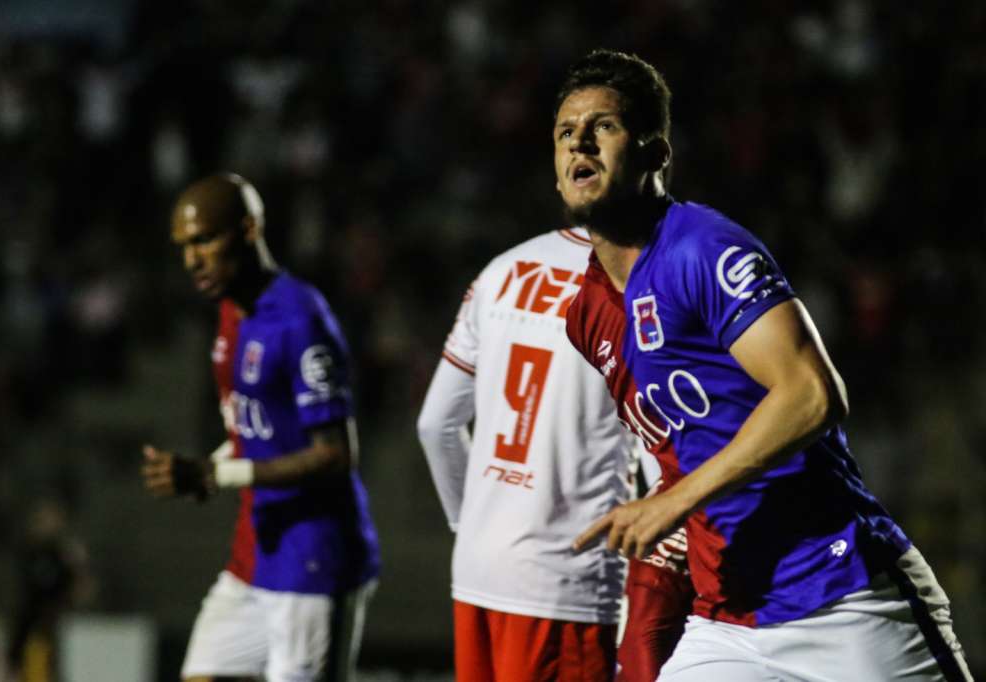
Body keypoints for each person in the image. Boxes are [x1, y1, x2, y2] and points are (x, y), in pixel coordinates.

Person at [556, 49, 972, 681]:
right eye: (565, 132)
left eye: (603, 126)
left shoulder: (701, 248)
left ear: (655, 154)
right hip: (729, 621)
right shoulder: (586, 316)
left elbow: (812, 394)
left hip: (844, 596)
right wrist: (669, 516)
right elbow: (685, 444)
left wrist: (675, 503)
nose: (579, 141)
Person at [416, 227, 692, 682]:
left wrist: (471, 527)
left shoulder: (502, 269)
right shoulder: (645, 284)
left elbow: (435, 425)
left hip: (477, 570)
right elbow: (667, 457)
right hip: (565, 578)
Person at [141, 173, 380, 682]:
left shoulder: (300, 319)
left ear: (249, 230)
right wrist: (207, 468)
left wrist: (218, 474)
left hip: (313, 560)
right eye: (184, 247)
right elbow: (259, 431)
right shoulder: (232, 310)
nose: (192, 260)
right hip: (254, 553)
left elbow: (335, 455)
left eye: (205, 241)